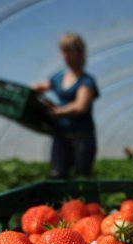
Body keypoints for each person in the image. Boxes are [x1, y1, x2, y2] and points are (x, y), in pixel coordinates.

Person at [31, 32, 99, 179]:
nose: (66, 56)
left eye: (70, 52)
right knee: (57, 174)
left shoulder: (86, 81)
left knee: (82, 176)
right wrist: (31, 89)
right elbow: (42, 87)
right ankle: (60, 202)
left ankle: (85, 202)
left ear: (80, 53)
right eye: (64, 52)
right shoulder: (58, 77)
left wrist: (58, 112)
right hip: (61, 134)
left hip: (82, 135)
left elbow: (80, 106)